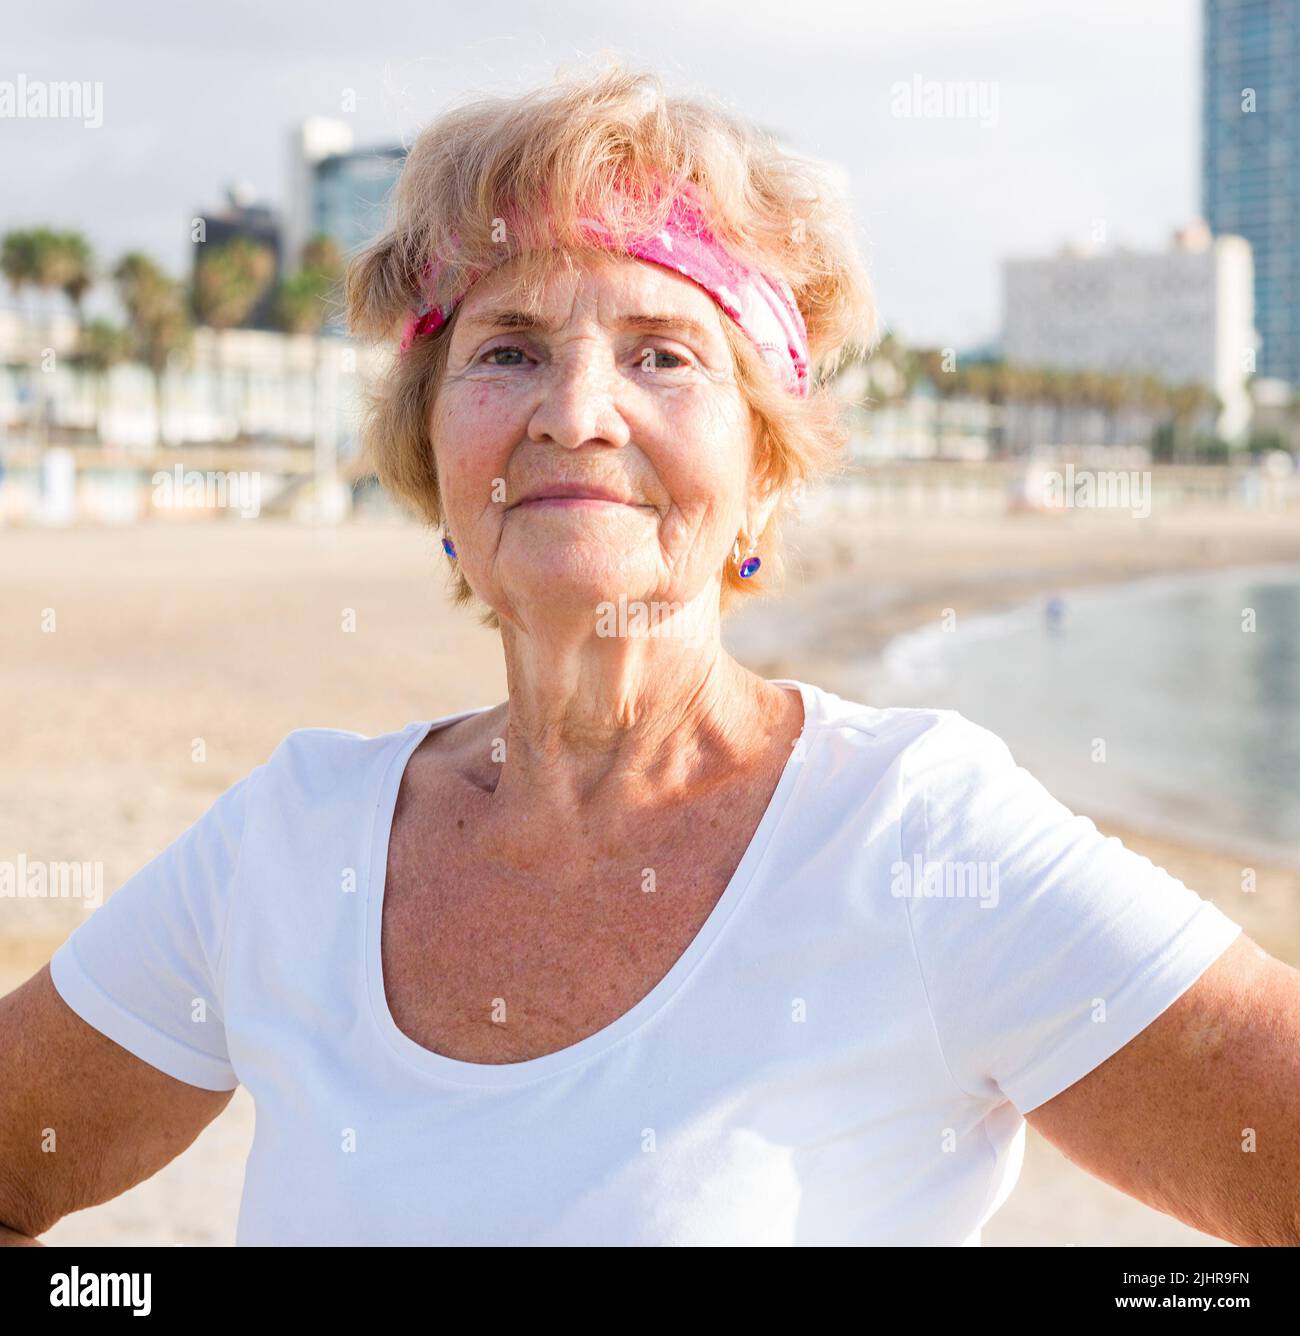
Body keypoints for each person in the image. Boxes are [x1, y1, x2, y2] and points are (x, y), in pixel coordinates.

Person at [3, 65, 1299, 1248]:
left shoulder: (914, 836)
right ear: (432, 451)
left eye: (660, 355)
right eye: (507, 351)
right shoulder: (289, 840)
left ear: (764, 474)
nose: (573, 413)